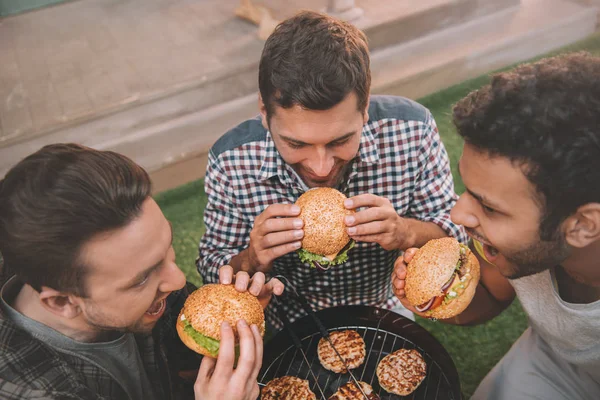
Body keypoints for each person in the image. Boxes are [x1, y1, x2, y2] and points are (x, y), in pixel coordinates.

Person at [197, 10, 466, 329]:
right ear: (264, 112)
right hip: (287, 321)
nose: (321, 167)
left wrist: (405, 231)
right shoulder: (231, 160)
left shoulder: (412, 131)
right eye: (296, 144)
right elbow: (213, 265)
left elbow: (456, 231)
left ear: (365, 106)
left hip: (384, 305)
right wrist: (253, 257)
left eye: (341, 140)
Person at [0, 143, 284, 400]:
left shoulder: (147, 290)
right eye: (142, 278)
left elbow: (181, 361)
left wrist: (226, 331)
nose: (178, 280)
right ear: (62, 302)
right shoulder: (30, 390)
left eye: (167, 248)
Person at [392, 52, 600, 399]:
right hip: (553, 358)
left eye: (488, 206)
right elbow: (487, 293)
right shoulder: (521, 248)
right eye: (469, 192)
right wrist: (434, 300)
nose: (458, 215)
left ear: (581, 225)